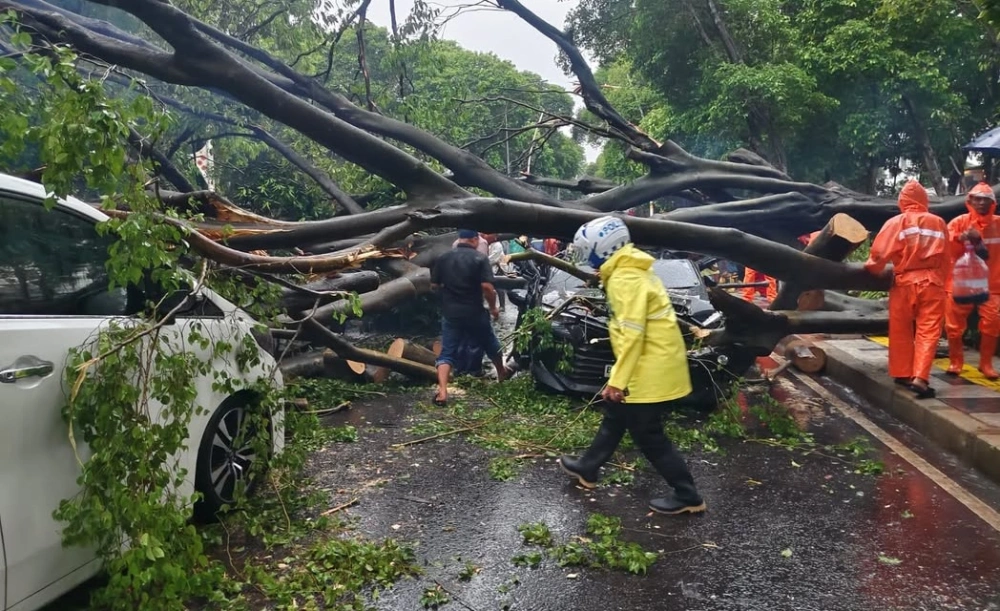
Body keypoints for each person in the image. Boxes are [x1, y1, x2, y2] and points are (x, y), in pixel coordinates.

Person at [558, 216, 706, 516]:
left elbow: (632, 336)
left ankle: (688, 495)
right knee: (616, 416)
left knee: (648, 434)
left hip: (650, 367)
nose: (585, 258)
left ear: (603, 249)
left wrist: (617, 380)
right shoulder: (632, 270)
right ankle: (588, 467)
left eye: (588, 251)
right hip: (653, 361)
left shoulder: (625, 279)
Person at [864, 180, 949, 398]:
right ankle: (920, 378)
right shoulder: (938, 223)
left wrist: (873, 270)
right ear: (924, 200)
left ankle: (902, 373)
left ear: (902, 201)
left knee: (900, 329)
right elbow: (947, 258)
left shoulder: (896, 222)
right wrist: (944, 284)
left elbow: (878, 256)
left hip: (903, 283)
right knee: (928, 332)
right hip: (932, 283)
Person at [431, 229, 508, 405]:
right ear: (474, 240)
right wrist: (494, 308)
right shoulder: (479, 259)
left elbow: (434, 285)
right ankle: (502, 373)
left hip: (451, 313)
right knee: (490, 342)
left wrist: (447, 298)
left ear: (459, 239)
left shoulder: (444, 258)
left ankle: (442, 391)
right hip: (474, 311)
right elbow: (488, 288)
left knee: (447, 352)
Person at [944, 183, 1000, 379]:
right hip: (961, 284)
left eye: (986, 199)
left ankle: (985, 364)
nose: (981, 203)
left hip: (992, 285)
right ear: (970, 201)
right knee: (953, 325)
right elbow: (947, 248)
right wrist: (961, 238)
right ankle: (956, 362)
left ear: (993, 203)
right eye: (977, 199)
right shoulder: (959, 223)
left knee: (992, 322)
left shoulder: (999, 224)